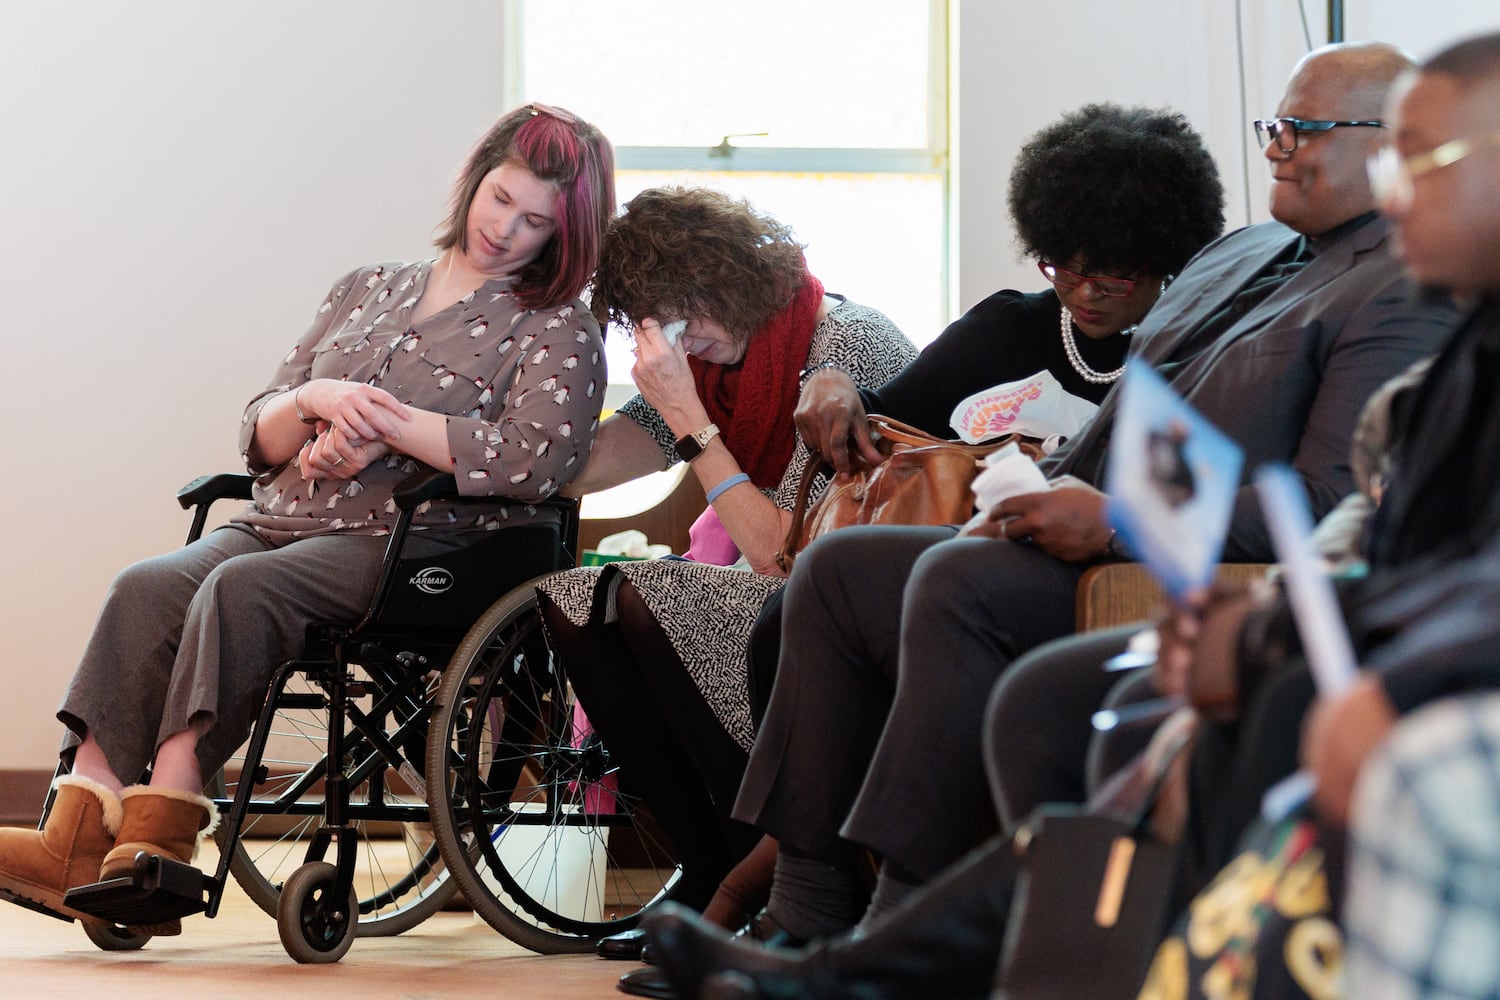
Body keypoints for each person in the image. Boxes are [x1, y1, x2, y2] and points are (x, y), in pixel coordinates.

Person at [638, 30, 1500, 1000]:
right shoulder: (1246, 256)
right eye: (1275, 125)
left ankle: (890, 941)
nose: (1280, 146)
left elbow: (1333, 506)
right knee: (841, 574)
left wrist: (1128, 524)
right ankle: (808, 913)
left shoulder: (1396, 296)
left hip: (1165, 561)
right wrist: (1004, 482)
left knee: (964, 593)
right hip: (1089, 528)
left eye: (1307, 129)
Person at [0, 103, 615, 935]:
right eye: (500, 197)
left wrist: (387, 426)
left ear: (563, 235)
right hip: (280, 517)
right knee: (144, 586)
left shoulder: (557, 328)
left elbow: (539, 460)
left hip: (410, 548)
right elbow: (259, 425)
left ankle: (165, 828)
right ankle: (80, 827)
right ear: (477, 179)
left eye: (535, 220)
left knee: (239, 591)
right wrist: (317, 406)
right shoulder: (367, 286)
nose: (505, 227)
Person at [534, 186, 917, 922]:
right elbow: (593, 460)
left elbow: (782, 555)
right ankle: (707, 861)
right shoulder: (712, 368)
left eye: (689, 302)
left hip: (847, 603)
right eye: (655, 316)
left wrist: (689, 419)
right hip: (781, 593)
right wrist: (512, 441)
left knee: (655, 596)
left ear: (736, 276)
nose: (680, 330)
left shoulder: (847, 344)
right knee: (573, 601)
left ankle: (761, 873)